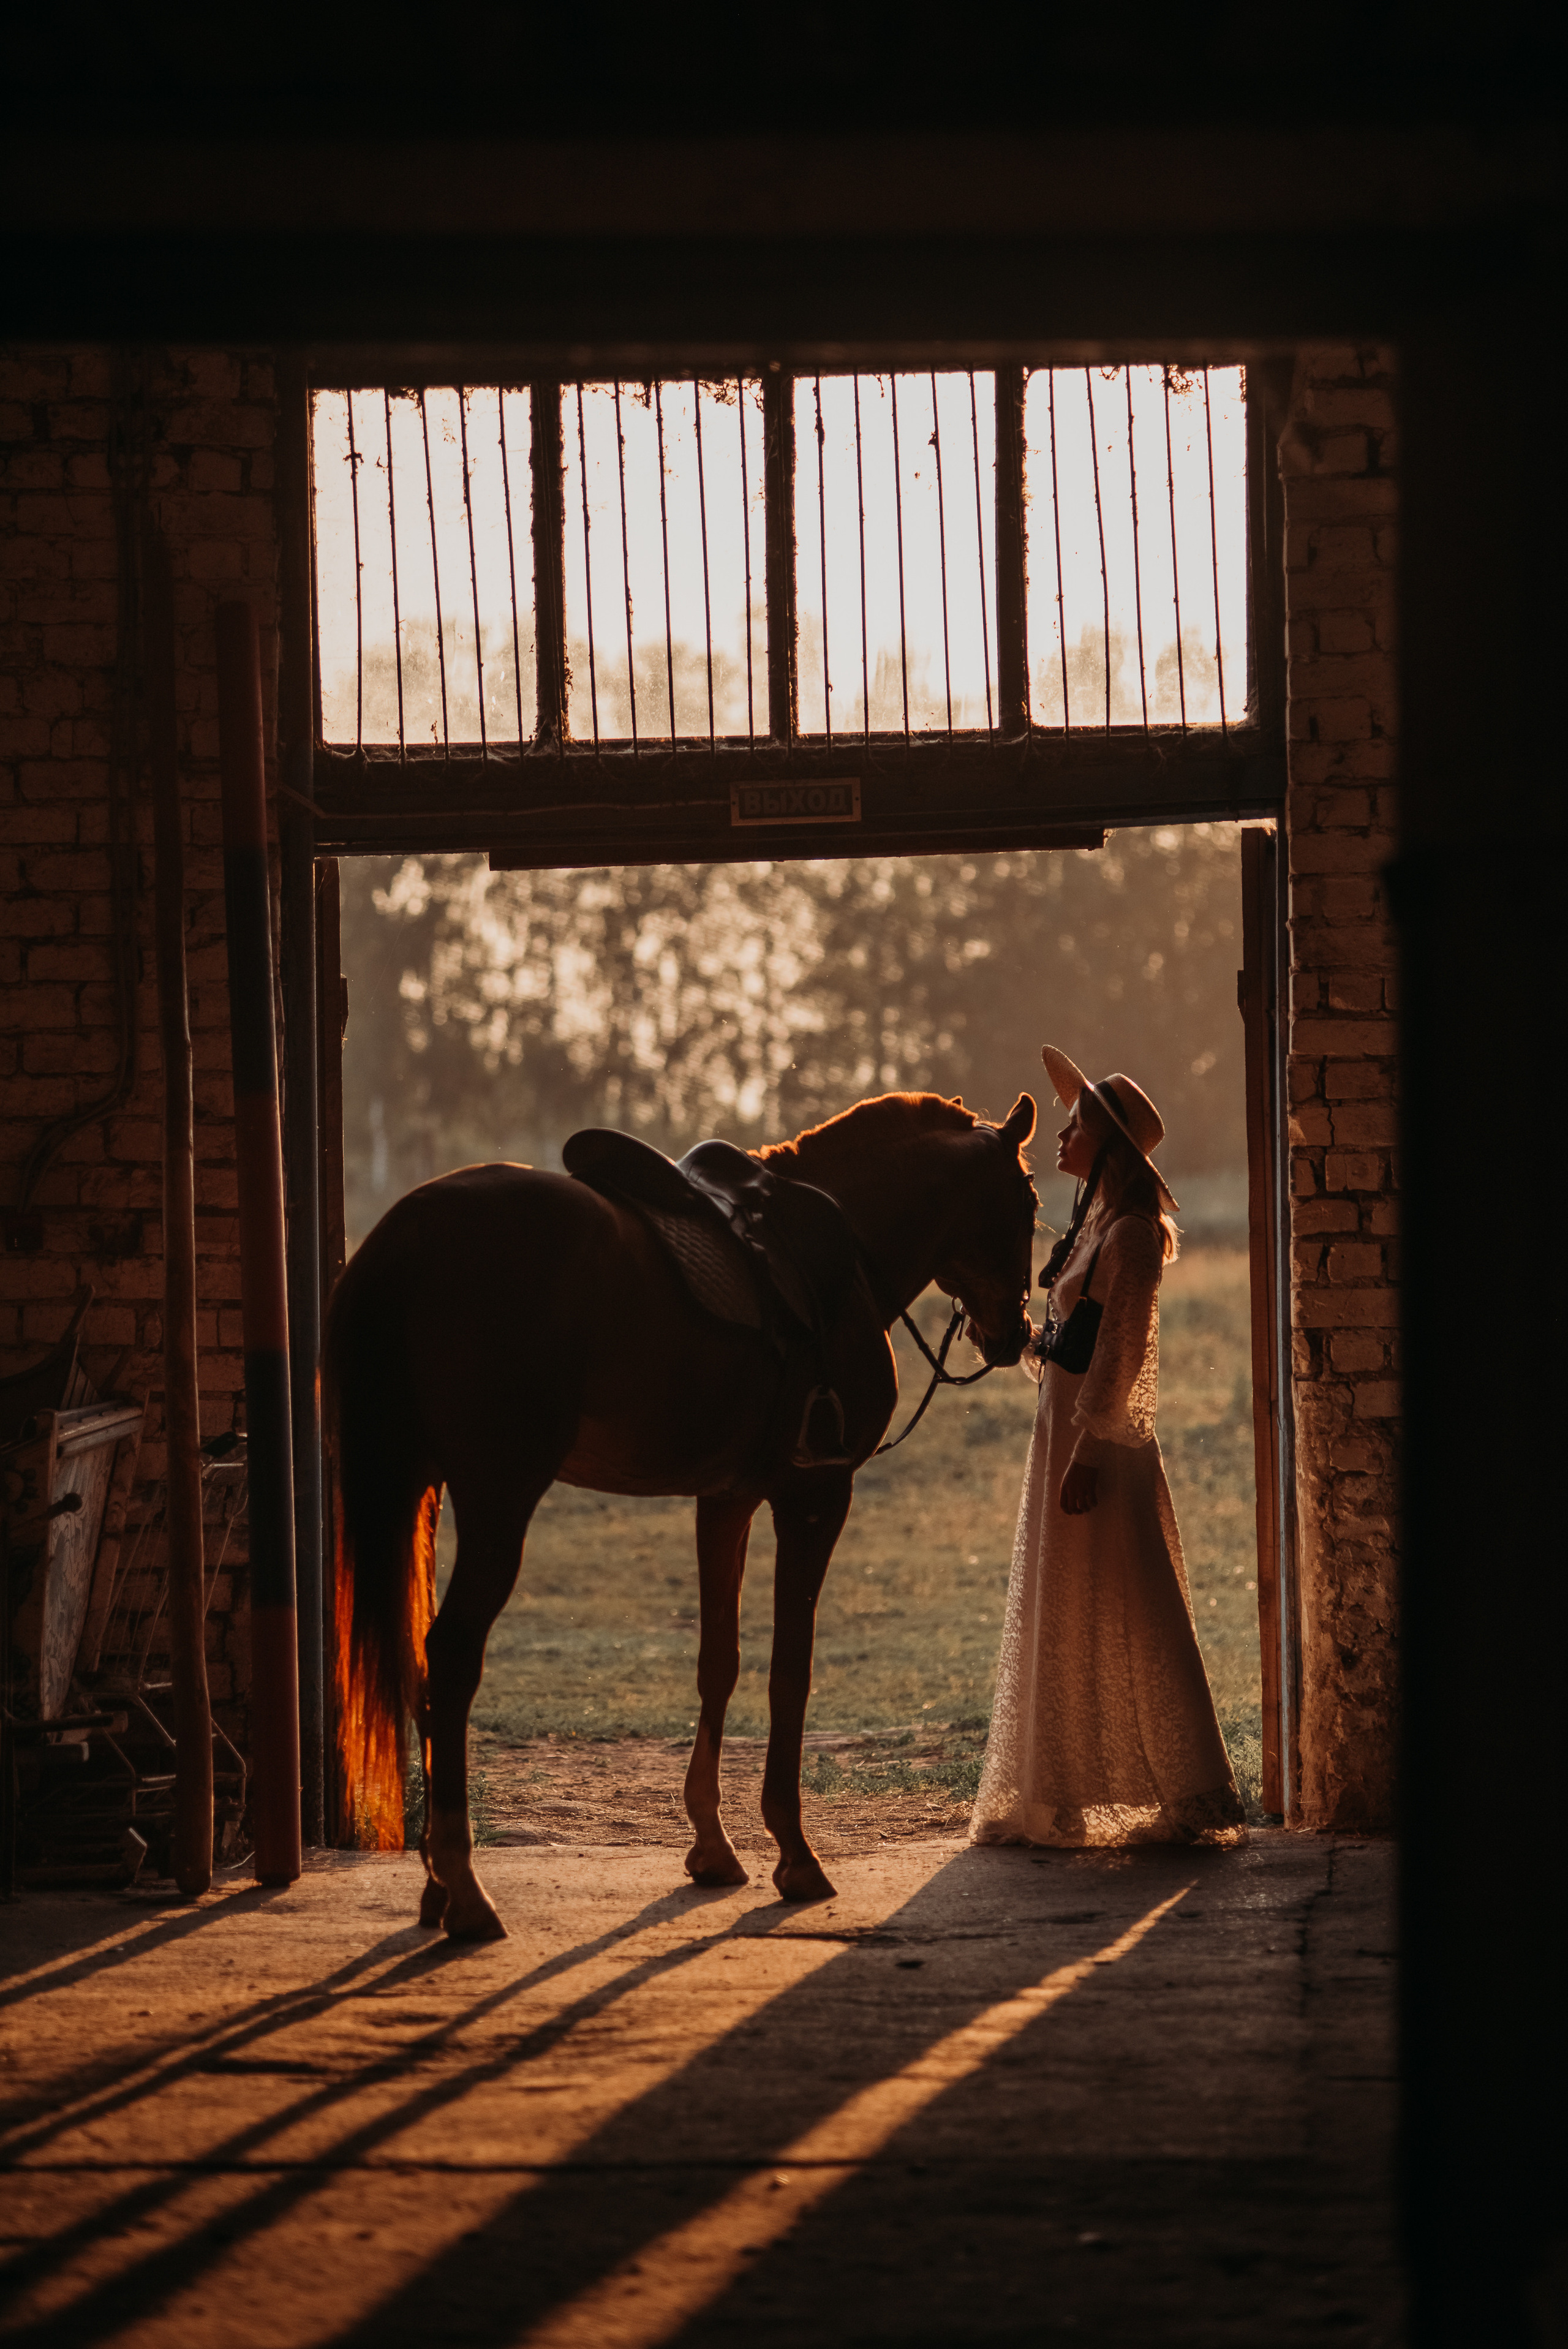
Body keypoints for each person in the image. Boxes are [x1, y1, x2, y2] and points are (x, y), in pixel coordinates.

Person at [970, 1046, 1245, 1848]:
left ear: (1107, 1145)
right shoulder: (1096, 1226)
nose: (1060, 1135)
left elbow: (1125, 1352)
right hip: (1065, 1428)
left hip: (1100, 1443)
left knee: (1136, 1600)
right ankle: (1061, 1789)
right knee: (1067, 1601)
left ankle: (1185, 1785)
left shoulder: (1130, 1236)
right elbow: (1075, 1339)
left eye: (1076, 1124)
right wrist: (1025, 1343)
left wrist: (1088, 1454)